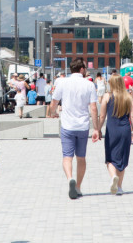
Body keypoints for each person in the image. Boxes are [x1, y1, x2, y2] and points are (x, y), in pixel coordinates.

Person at [48, 58, 101, 200]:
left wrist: (52, 113)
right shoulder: (89, 85)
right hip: (83, 126)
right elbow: (94, 108)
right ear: (82, 69)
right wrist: (96, 129)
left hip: (67, 125)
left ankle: (70, 178)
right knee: (81, 158)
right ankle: (78, 187)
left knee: (67, 157)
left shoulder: (63, 83)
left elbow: (54, 102)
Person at [99, 74, 133, 195]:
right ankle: (119, 187)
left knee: (110, 158)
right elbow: (132, 117)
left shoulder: (107, 96)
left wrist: (98, 129)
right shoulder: (128, 97)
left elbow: (103, 116)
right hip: (125, 130)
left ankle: (113, 176)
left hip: (112, 130)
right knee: (122, 158)